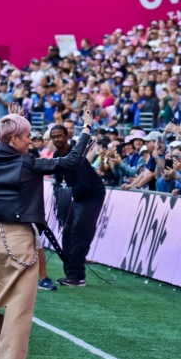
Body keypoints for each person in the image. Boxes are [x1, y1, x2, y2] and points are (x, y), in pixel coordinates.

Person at [0, 99, 94, 359]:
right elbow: (71, 161)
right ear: (14, 139)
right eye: (27, 136)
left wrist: (9, 120)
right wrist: (87, 128)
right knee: (19, 310)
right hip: (19, 238)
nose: (33, 141)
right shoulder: (27, 163)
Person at [50, 123, 107, 287]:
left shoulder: (77, 155)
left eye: (60, 136)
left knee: (80, 230)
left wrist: (66, 194)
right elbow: (57, 181)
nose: (57, 139)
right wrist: (59, 194)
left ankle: (77, 276)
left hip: (92, 195)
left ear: (67, 136)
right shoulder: (56, 155)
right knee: (67, 230)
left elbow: (85, 185)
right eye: (54, 137)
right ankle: (70, 273)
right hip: (75, 194)